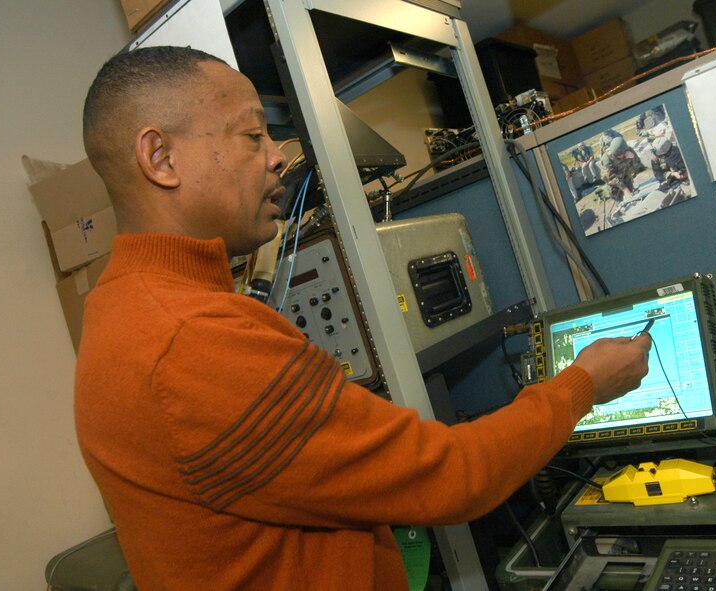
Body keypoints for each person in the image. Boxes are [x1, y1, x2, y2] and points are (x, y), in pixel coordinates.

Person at [76, 46, 651, 590]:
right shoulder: (193, 339)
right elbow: (451, 475)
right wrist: (583, 384)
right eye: (253, 136)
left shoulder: (120, 310)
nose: (278, 155)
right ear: (161, 158)